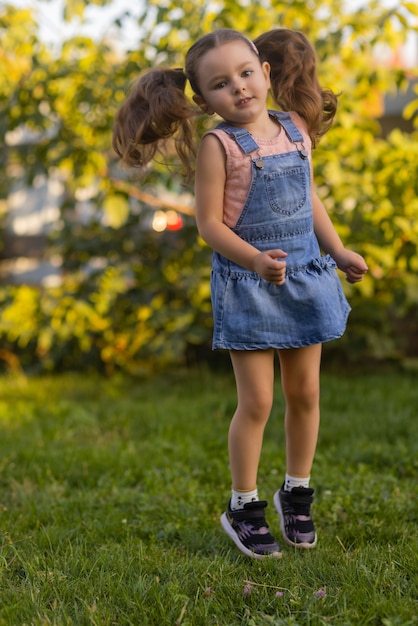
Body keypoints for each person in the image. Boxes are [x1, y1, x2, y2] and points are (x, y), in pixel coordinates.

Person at [113, 28, 368, 559]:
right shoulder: (219, 146)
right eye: (222, 84)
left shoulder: (295, 128)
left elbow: (308, 197)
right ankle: (243, 505)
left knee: (306, 393)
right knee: (257, 400)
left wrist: (338, 250)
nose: (240, 88)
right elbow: (208, 225)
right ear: (204, 101)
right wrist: (253, 259)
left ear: (266, 73)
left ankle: (296, 492)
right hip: (251, 284)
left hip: (304, 276)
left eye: (246, 74)